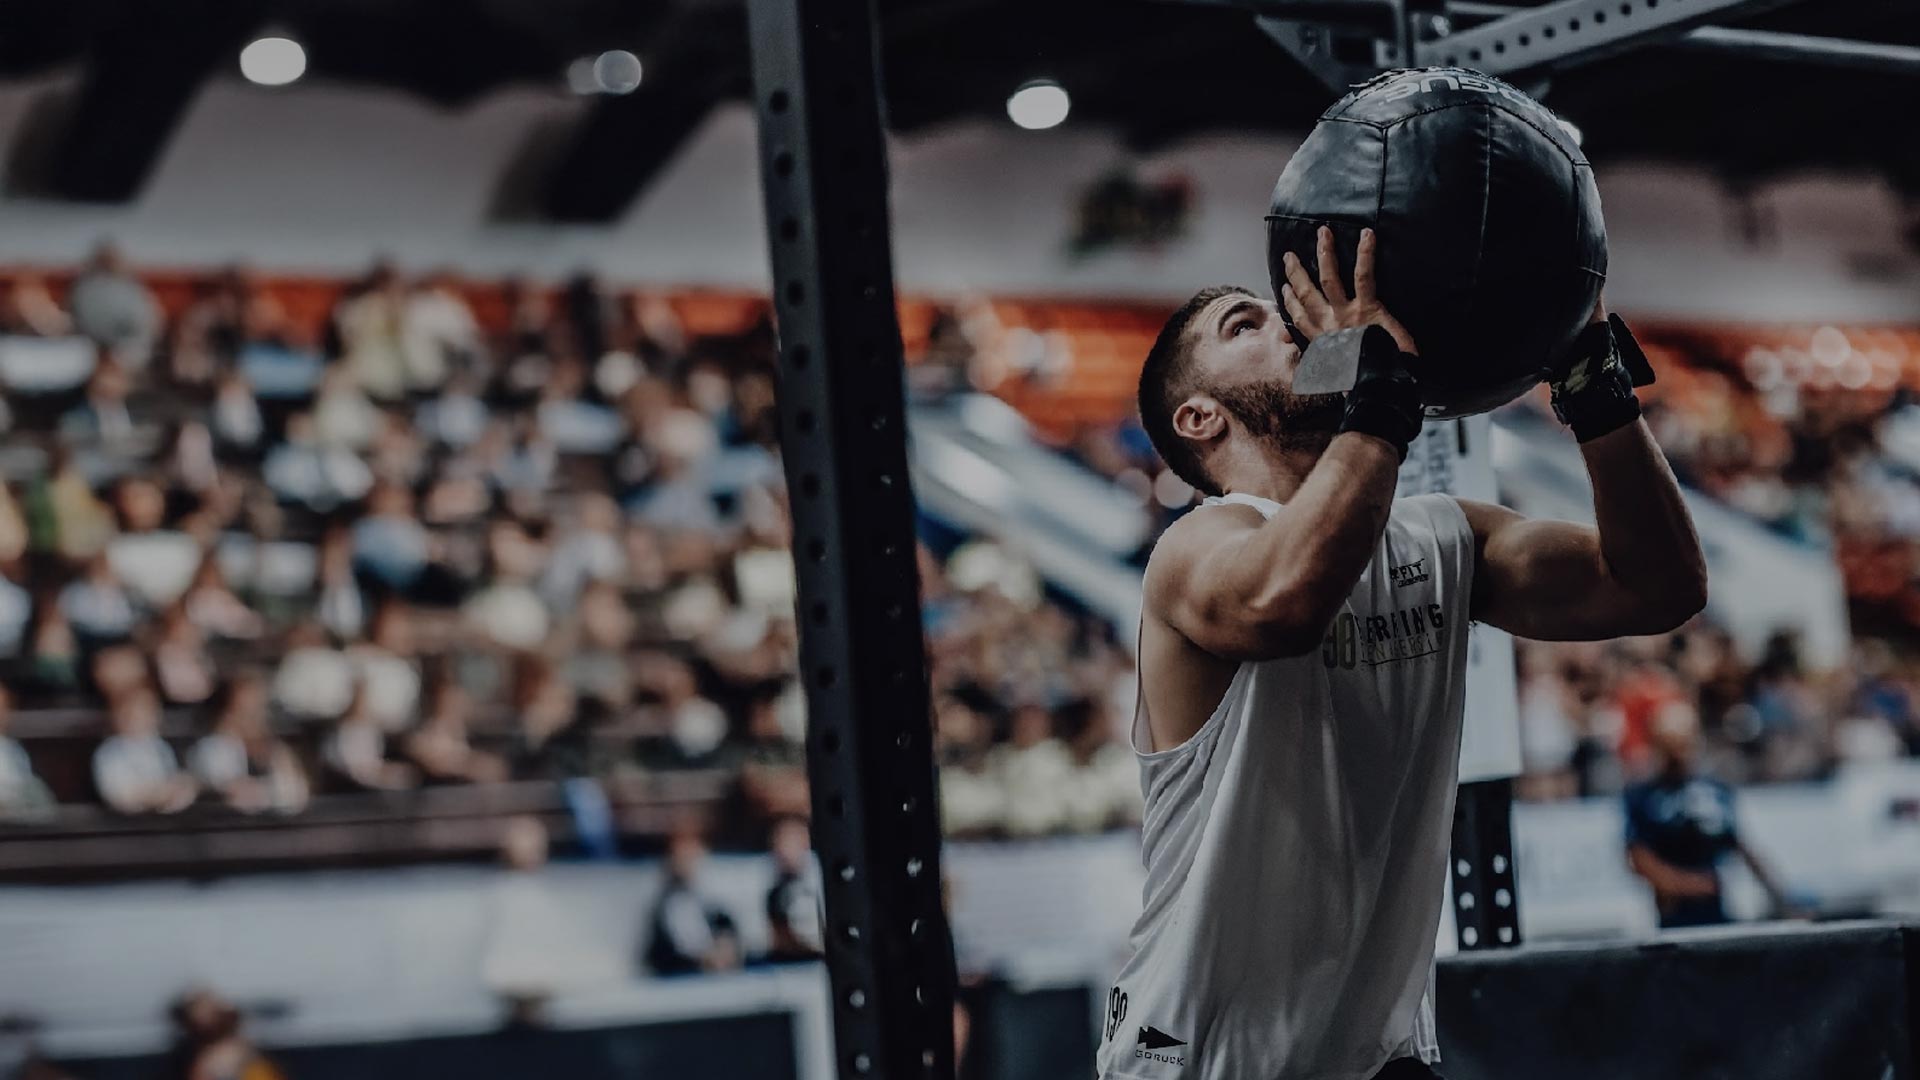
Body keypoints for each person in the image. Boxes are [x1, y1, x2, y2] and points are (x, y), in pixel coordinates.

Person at [1098, 227, 1708, 1080]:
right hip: (1203, 1058)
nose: (1287, 324)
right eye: (1245, 326)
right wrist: (1381, 397)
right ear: (1200, 417)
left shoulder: (1440, 536)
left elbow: (1657, 587)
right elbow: (1284, 605)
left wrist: (1591, 379)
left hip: (1380, 1059)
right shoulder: (1197, 549)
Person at [1624, 700, 1795, 929]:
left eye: (1682, 743)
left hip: (1717, 909)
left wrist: (1780, 896)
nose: (1677, 753)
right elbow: (1639, 859)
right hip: (1674, 917)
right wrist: (1688, 885)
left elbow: (1740, 845)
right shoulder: (1642, 796)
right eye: (1669, 744)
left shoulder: (1715, 791)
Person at [643, 829, 742, 976]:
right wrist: (703, 959)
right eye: (682, 857)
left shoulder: (712, 899)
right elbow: (662, 956)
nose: (688, 863)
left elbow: (730, 933)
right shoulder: (666, 907)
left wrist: (727, 949)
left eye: (692, 857)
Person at [763, 816, 824, 964]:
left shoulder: (822, 882)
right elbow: (778, 941)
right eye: (778, 845)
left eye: (790, 844)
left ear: (805, 843)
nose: (783, 851)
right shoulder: (775, 892)